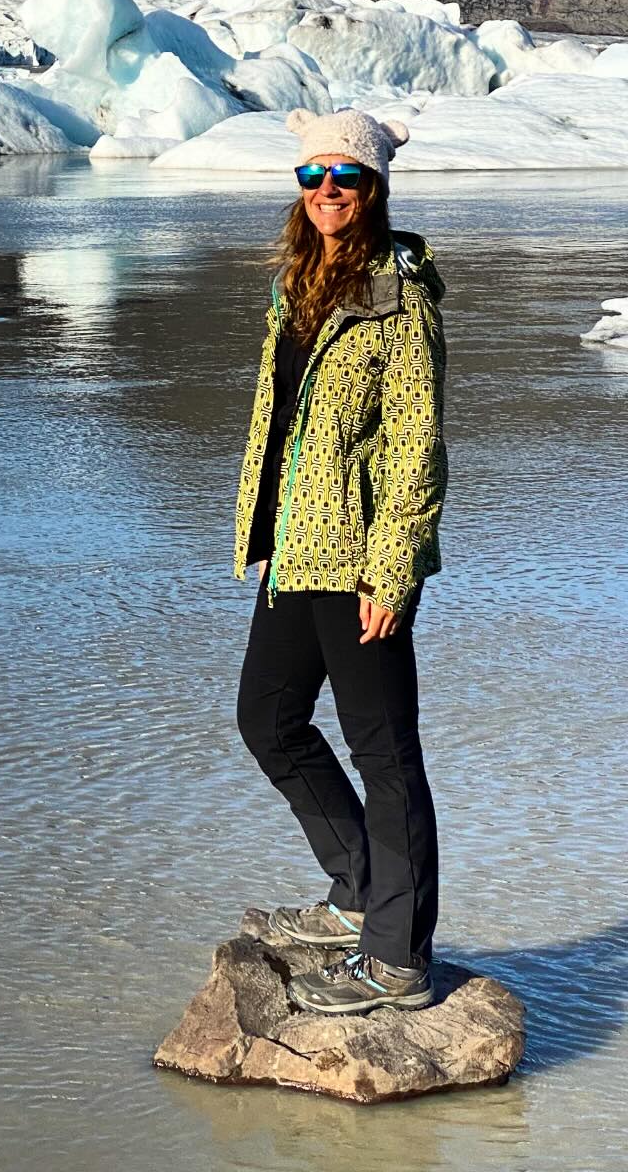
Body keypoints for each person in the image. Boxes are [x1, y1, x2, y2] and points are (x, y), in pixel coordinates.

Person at [233, 107, 447, 1015]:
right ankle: (358, 887)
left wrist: (392, 574)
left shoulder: (401, 302)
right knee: (268, 721)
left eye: (345, 177)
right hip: (294, 550)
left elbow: (417, 450)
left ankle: (398, 958)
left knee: (385, 754)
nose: (327, 191)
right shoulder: (294, 285)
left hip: (359, 563)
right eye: (312, 175)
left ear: (375, 188)